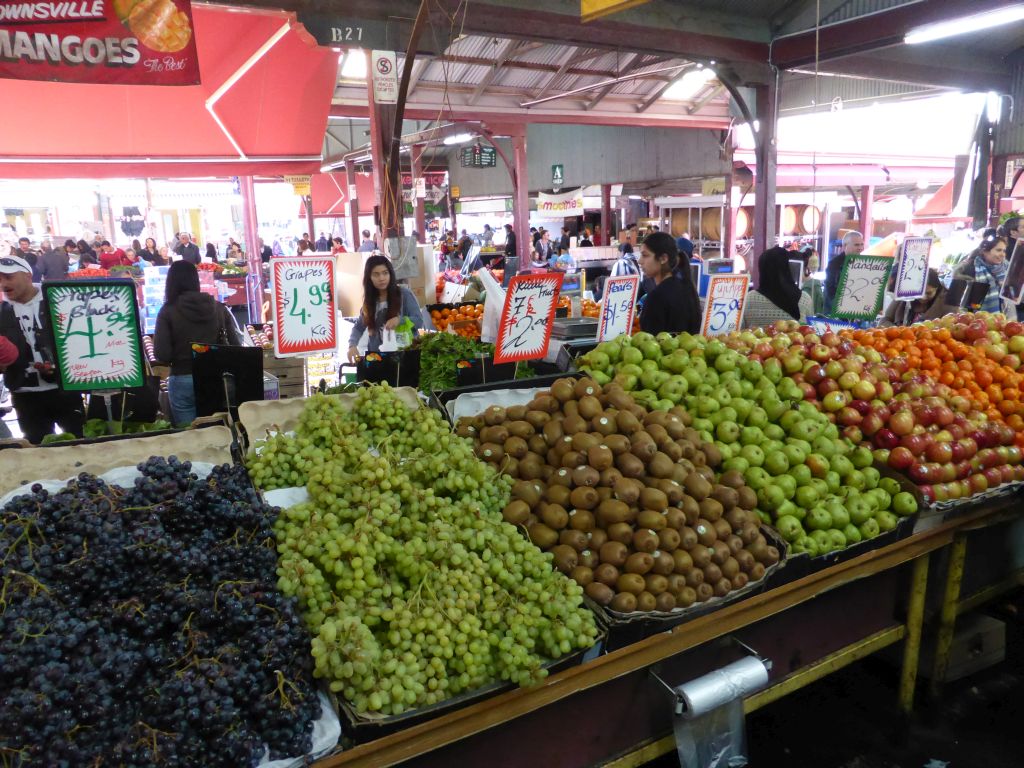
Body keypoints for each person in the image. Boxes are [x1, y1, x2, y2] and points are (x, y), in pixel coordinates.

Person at [0, 254, 85, 443]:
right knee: (37, 450)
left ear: (27, 276)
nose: (4, 283)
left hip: (64, 389)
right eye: (0, 278)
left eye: (9, 276)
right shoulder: (2, 311)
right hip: (25, 395)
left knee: (78, 443)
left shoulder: (58, 302)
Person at [153, 261, 242, 426]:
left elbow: (162, 354)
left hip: (182, 378)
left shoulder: (167, 311)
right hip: (214, 379)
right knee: (217, 432)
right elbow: (236, 347)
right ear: (196, 280)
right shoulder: (218, 308)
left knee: (191, 438)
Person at [346, 255, 426, 362]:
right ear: (369, 277)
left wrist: (399, 320)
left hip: (405, 357)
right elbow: (359, 327)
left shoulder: (404, 294)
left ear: (390, 274)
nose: (381, 278)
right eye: (376, 274)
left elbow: (419, 321)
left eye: (385, 273)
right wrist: (352, 345)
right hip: (378, 359)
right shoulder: (370, 301)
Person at [636, 232, 701, 335]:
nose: (639, 261)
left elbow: (648, 343)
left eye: (645, 255)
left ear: (663, 258)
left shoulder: (656, 297)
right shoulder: (687, 288)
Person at [741, 247, 814, 329]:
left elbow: (741, 330)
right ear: (787, 267)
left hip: (754, 341)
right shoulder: (805, 299)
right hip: (795, 341)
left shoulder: (749, 299)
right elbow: (811, 330)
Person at [953, 235, 1017, 319]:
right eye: (998, 250)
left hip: (1007, 319)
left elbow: (1014, 297)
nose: (1002, 254)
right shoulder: (972, 270)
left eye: (1004, 251)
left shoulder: (1006, 268)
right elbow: (968, 307)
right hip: (979, 322)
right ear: (985, 252)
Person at [878, 269, 949, 327]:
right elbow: (884, 320)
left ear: (937, 289)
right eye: (919, 292)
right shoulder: (904, 295)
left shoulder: (945, 303)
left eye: (929, 293)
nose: (923, 297)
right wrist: (901, 332)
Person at [824, 230, 865, 314]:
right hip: (836, 313)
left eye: (862, 244)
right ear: (845, 245)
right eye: (856, 245)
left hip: (857, 310)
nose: (860, 248)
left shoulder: (865, 263)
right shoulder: (834, 264)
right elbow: (830, 292)